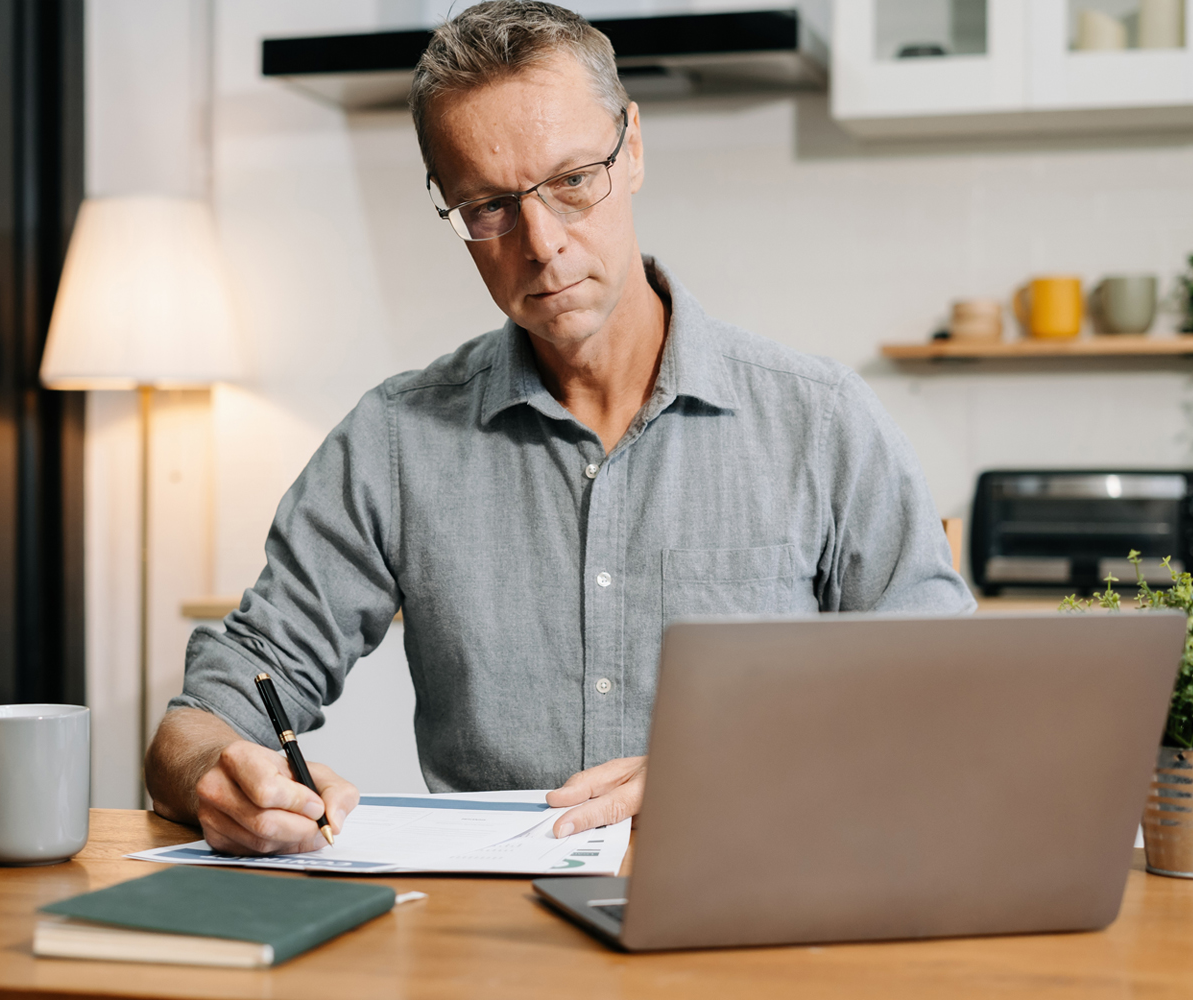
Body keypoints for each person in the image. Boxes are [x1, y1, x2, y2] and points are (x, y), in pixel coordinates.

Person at [145, 1, 974, 856]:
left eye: (573, 181)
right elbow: (202, 720)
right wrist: (219, 775)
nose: (541, 243)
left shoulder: (821, 423)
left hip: (756, 909)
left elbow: (957, 703)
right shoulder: (395, 441)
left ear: (634, 146)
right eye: (491, 208)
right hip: (489, 949)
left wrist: (736, 765)